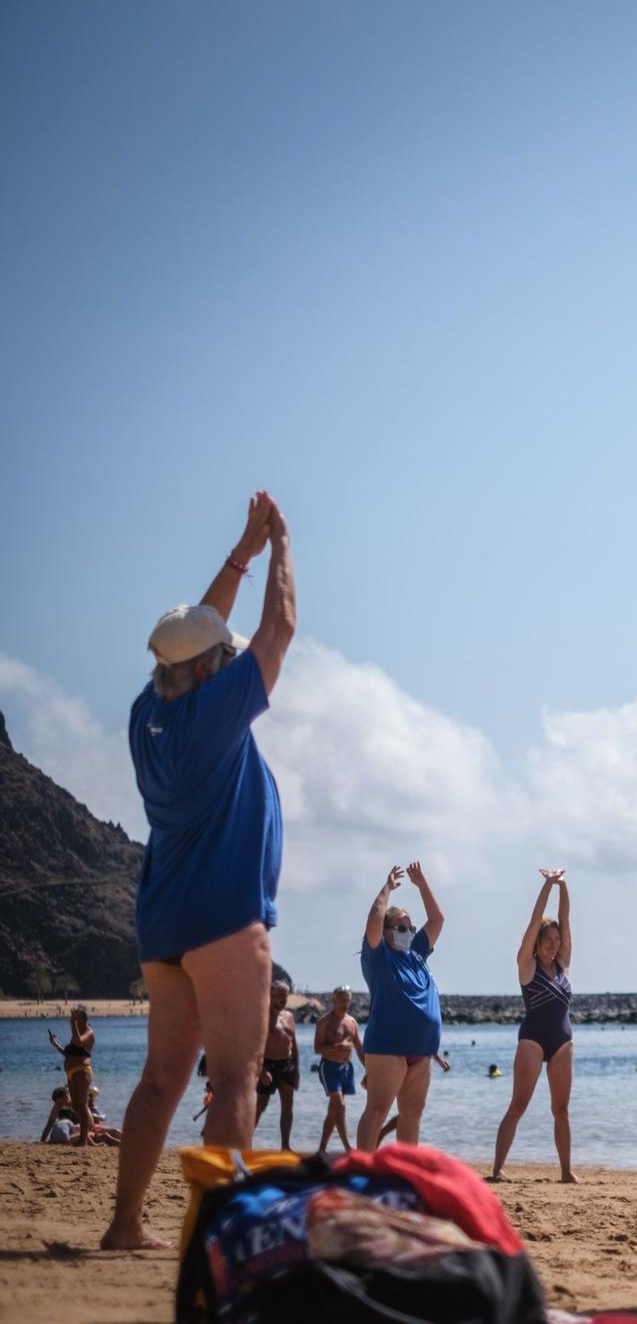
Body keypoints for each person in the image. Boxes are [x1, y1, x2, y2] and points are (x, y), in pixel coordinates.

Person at [103, 491, 296, 1251]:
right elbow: (278, 630)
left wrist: (239, 554)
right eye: (224, 656)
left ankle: (124, 1225)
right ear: (216, 670)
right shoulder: (217, 713)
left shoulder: (146, 714)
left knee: (162, 1080)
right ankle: (216, 1240)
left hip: (164, 923)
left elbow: (192, 641)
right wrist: (283, 547)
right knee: (237, 1079)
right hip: (224, 918)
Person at [492, 868, 576, 1182]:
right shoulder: (527, 966)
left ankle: (566, 1172)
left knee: (561, 1110)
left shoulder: (563, 964)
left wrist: (564, 886)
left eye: (557, 940)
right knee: (519, 1103)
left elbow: (566, 920)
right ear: (538, 942)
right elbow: (534, 920)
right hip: (532, 1040)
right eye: (549, 939)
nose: (554, 944)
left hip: (563, 1043)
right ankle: (498, 1168)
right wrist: (547, 886)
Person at [355, 863, 446, 1151]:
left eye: (410, 927)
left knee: (412, 1115)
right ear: (387, 932)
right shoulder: (379, 956)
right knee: (378, 1109)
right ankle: (364, 1169)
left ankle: (406, 1173)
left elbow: (437, 920)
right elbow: (373, 921)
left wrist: (422, 885)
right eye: (401, 928)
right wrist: (386, 890)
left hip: (422, 1049)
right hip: (388, 1046)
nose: (408, 932)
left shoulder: (416, 952)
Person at [313, 985, 361, 1154]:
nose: (344, 1004)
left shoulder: (352, 1022)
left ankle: (321, 1149)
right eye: (341, 1000)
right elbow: (317, 1049)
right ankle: (348, 1147)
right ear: (333, 1000)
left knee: (334, 1110)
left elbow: (359, 1048)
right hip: (329, 1067)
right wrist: (337, 1048)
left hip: (347, 1069)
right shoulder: (324, 1022)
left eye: (347, 1000)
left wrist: (370, 1071)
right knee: (339, 1105)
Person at [254, 979, 300, 1150]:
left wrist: (297, 1070)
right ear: (270, 996)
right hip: (268, 1064)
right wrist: (262, 1069)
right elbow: (255, 1045)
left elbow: (293, 1044)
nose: (283, 999)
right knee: (261, 1105)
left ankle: (285, 1145)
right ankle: (246, 1141)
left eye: (285, 996)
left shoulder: (289, 1016)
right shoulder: (263, 1016)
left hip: (286, 1064)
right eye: (279, 996)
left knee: (288, 1104)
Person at [48, 1006, 94, 1133]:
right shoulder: (75, 1035)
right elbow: (69, 1055)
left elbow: (79, 1041)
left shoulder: (88, 1032)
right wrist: (56, 1045)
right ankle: (83, 1137)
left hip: (81, 1071)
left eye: (75, 1019)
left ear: (82, 1020)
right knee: (77, 1106)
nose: (72, 1022)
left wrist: (73, 1023)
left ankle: (84, 1138)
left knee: (82, 1105)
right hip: (72, 1073)